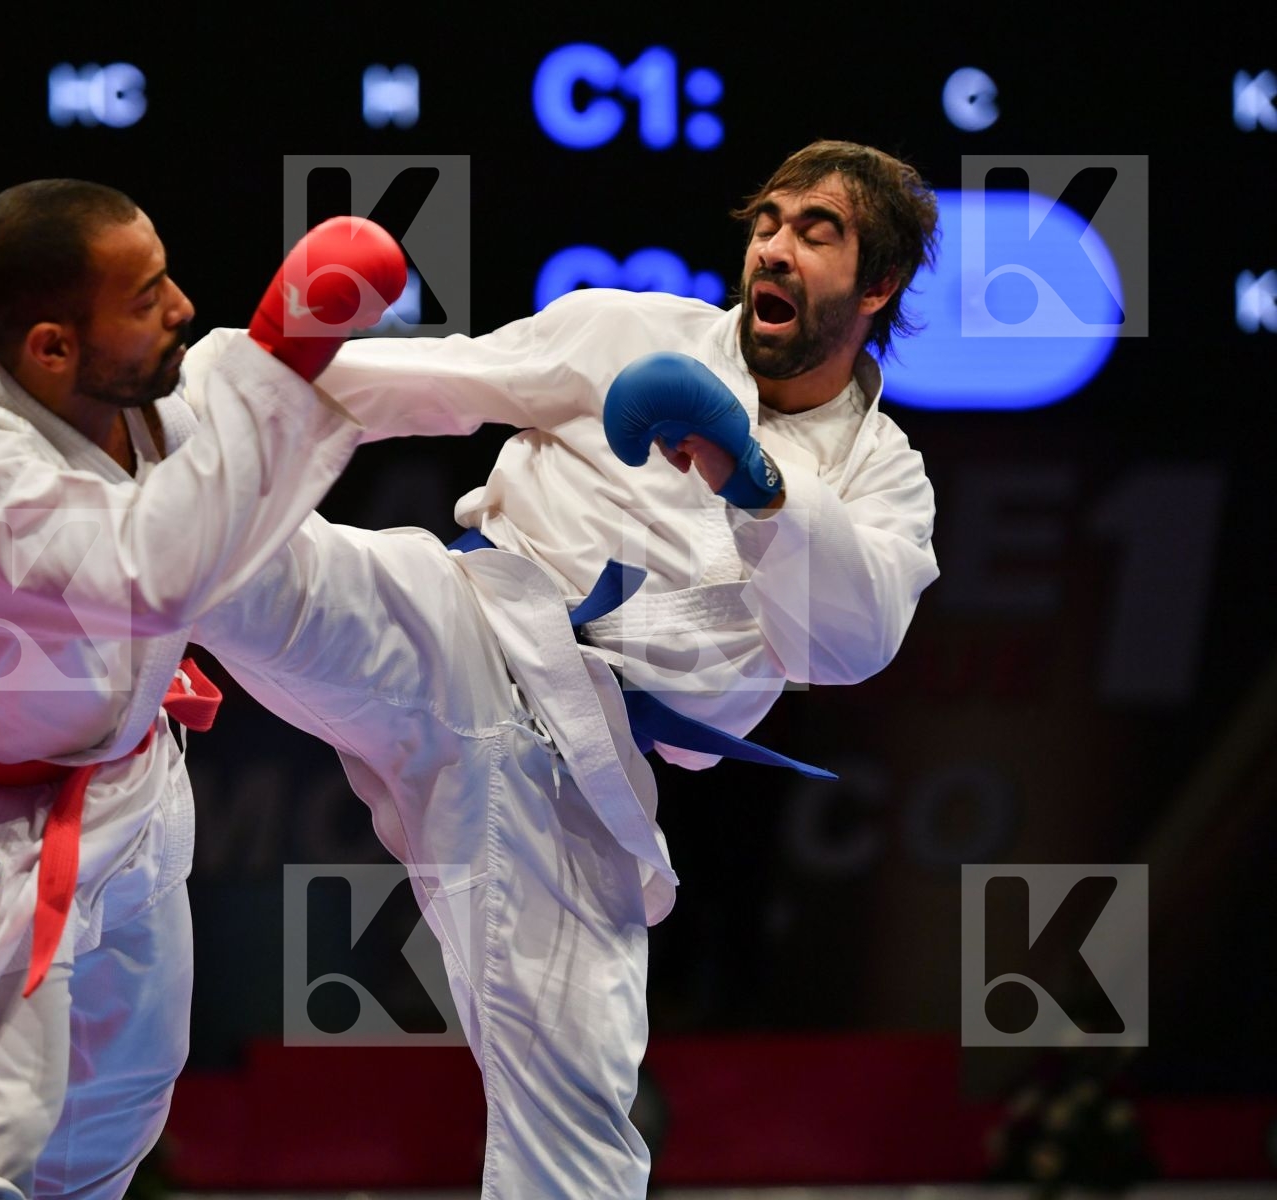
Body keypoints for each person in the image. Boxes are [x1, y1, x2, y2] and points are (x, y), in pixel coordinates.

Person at [186, 139, 942, 1198]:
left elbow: (848, 644)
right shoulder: (627, 327)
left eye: (818, 232)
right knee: (243, 563)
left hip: (587, 786)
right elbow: (423, 384)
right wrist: (255, 367)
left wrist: (754, 478)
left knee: (578, 1133)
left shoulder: (884, 478)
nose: (775, 247)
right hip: (470, 630)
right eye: (767, 222)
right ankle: (125, 450)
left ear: (880, 284)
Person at [0, 179, 402, 1197]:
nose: (180, 305)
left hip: (128, 785)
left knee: (117, 1102)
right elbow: (147, 574)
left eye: (166, 275)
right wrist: (281, 360)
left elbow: (308, 392)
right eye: (147, 294)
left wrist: (546, 386)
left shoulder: (134, 380)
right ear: (50, 346)